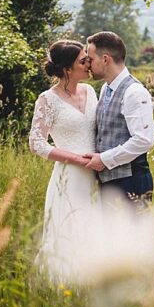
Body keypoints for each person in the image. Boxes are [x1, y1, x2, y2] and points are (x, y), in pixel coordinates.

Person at [28, 39, 101, 282]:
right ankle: (61, 291)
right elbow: (36, 143)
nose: (89, 63)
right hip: (68, 179)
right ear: (68, 69)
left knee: (94, 233)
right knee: (68, 235)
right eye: (83, 60)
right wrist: (77, 160)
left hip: (97, 174)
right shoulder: (47, 99)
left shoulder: (90, 92)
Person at [84, 31, 154, 205]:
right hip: (109, 183)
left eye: (91, 59)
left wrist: (104, 160)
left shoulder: (134, 92)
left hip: (131, 182)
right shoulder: (105, 89)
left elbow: (144, 140)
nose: (88, 65)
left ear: (106, 59)